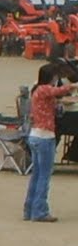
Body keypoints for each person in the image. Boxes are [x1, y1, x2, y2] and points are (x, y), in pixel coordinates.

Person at [23, 62, 74, 223]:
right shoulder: (44, 89)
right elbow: (61, 90)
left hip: (36, 135)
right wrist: (73, 85)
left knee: (37, 175)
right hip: (44, 136)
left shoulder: (37, 91)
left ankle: (30, 208)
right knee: (44, 176)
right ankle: (39, 211)